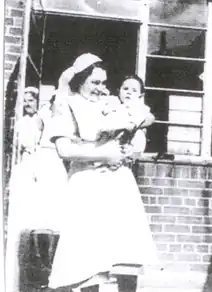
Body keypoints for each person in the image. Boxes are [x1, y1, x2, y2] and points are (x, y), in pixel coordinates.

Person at [47, 52, 158, 292]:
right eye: (95, 82)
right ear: (80, 80)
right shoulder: (66, 104)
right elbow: (64, 150)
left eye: (104, 83)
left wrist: (129, 147)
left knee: (126, 251)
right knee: (89, 258)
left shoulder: (110, 103)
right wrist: (105, 154)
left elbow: (145, 116)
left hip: (118, 181)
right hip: (87, 181)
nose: (101, 88)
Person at [5, 87, 67, 292]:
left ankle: (46, 273)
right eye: (24, 101)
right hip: (26, 168)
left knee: (47, 221)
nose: (27, 104)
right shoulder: (23, 123)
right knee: (26, 221)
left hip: (44, 170)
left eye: (31, 100)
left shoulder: (48, 119)